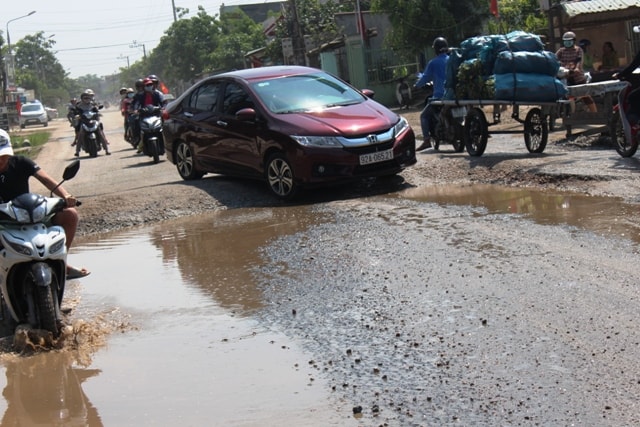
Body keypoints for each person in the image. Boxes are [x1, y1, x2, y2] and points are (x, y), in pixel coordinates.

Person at [0, 129, 89, 279]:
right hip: (3, 220)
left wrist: (65, 195)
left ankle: (60, 261)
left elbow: (46, 179)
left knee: (70, 214)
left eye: (4, 156)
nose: (1, 160)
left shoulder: (21, 162)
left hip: (28, 214)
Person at [414, 37, 449, 151]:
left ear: (436, 50)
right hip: (453, 95)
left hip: (439, 96)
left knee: (423, 115)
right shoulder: (451, 60)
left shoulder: (433, 63)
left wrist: (416, 85)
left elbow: (425, 78)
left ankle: (426, 140)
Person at [73, 89, 110, 156]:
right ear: (82, 99)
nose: (87, 99)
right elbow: (76, 112)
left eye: (88, 98)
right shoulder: (79, 105)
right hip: (84, 122)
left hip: (93, 121)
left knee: (100, 133)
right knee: (81, 134)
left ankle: (106, 149)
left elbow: (96, 110)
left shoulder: (93, 104)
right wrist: (77, 115)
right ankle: (77, 151)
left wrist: (98, 114)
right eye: (85, 98)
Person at [132, 77, 165, 153]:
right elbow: (135, 105)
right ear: (144, 86)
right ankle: (137, 140)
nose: (149, 86)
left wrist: (163, 108)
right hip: (144, 116)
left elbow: (163, 103)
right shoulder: (140, 96)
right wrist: (136, 110)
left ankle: (166, 143)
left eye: (150, 84)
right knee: (137, 123)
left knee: (164, 126)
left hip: (156, 115)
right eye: (147, 85)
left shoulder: (157, 94)